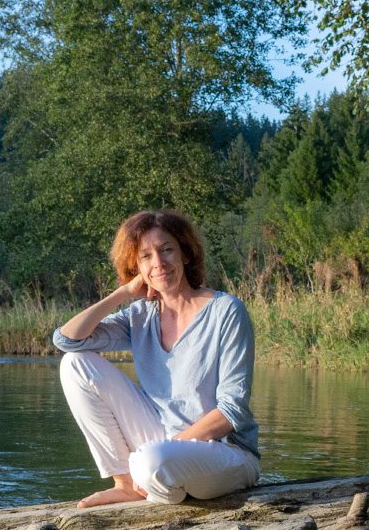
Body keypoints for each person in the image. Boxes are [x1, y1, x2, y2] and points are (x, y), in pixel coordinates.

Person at [52, 210, 260, 508]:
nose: (158, 263)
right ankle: (127, 484)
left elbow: (231, 412)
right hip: (160, 449)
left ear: (185, 253)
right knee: (75, 364)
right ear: (136, 267)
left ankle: (155, 479)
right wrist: (124, 292)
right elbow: (67, 340)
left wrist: (164, 452)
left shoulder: (227, 311)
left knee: (153, 461)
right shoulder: (140, 315)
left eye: (167, 250)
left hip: (225, 453)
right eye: (146, 256)